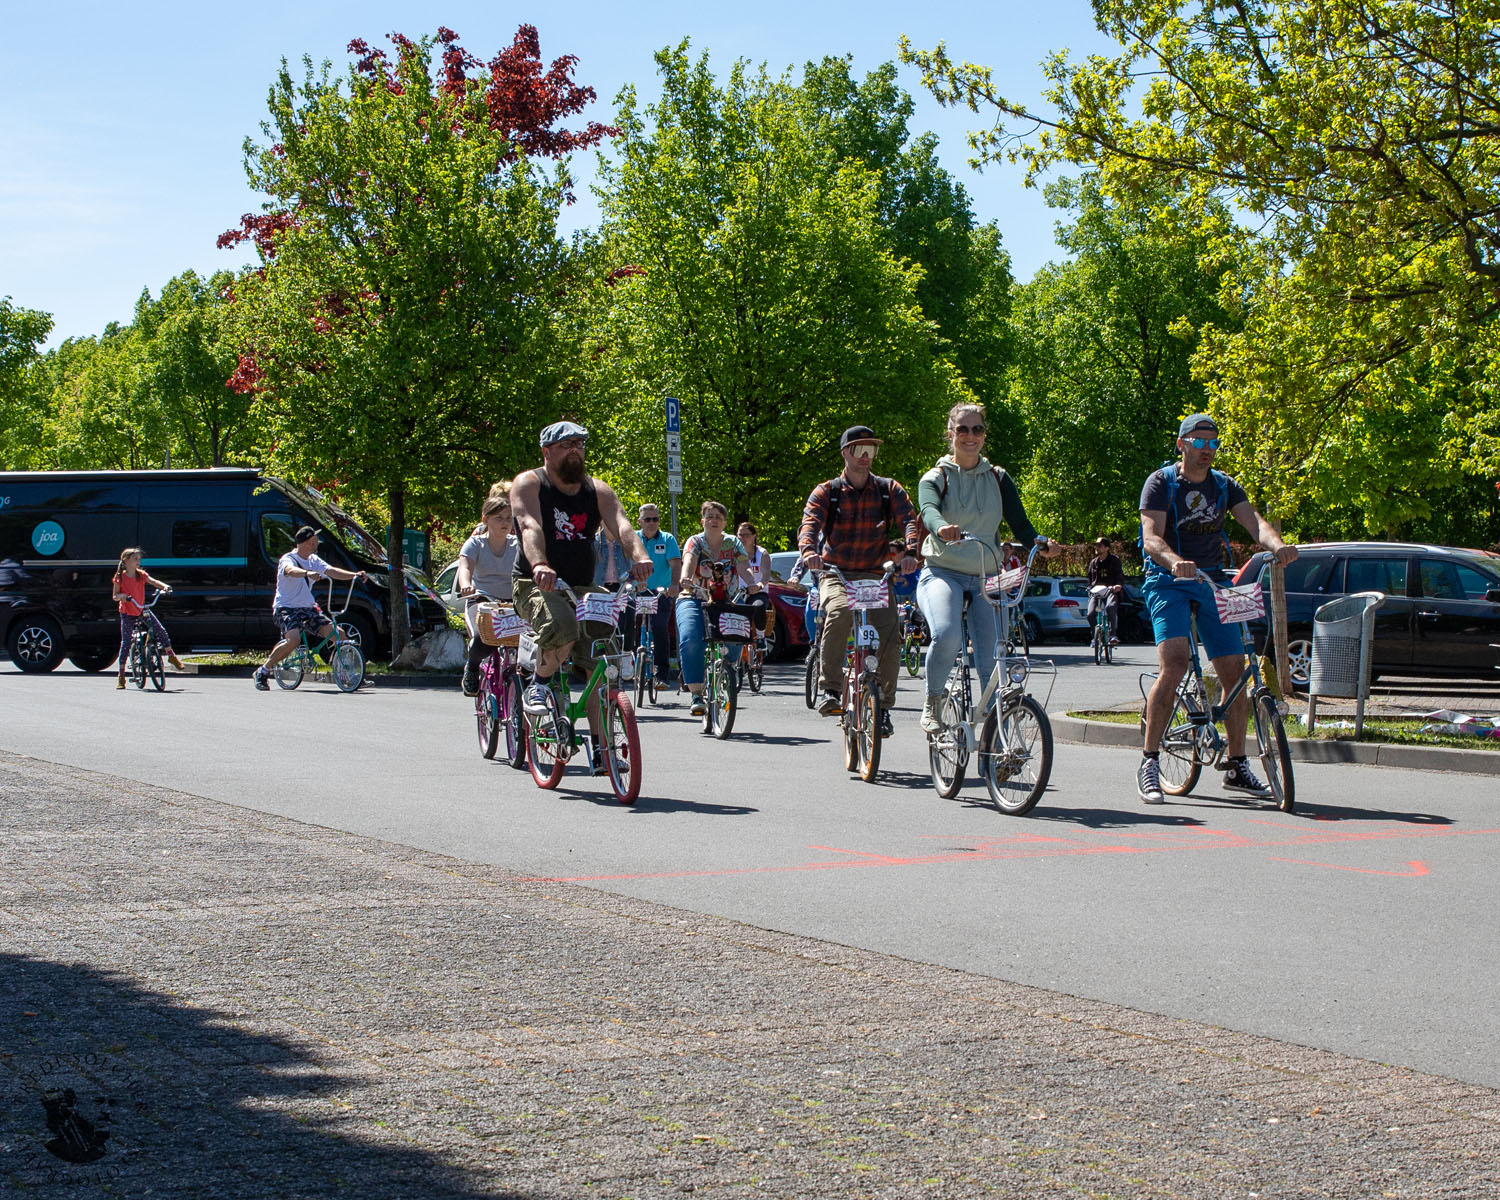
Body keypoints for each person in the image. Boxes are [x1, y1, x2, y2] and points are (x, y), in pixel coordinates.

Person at [1137, 413, 1298, 804]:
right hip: (1168, 579)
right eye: (1199, 442)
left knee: (1235, 671)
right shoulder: (1161, 483)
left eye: (1213, 444)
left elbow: (1254, 522)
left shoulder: (1224, 485)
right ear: (1182, 444)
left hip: (1213, 579)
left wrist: (1277, 546)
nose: (1207, 450)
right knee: (1174, 663)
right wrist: (1175, 561)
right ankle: (1150, 761)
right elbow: (1150, 537)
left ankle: (1238, 765)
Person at [511, 420, 652, 769]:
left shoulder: (597, 490)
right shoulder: (530, 483)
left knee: (602, 659)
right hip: (534, 582)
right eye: (566, 444)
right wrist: (540, 564)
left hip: (582, 586)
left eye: (580, 443)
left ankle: (603, 751)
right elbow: (529, 526)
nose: (575, 449)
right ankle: (539, 685)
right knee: (563, 627)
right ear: (547, 452)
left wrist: (640, 557)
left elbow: (621, 525)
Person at [914, 403, 1056, 734]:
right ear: (950, 434)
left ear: (984, 435)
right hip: (942, 571)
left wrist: (1042, 543)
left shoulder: (998, 477)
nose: (970, 436)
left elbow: (1021, 524)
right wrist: (941, 527)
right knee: (946, 634)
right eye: (962, 429)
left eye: (976, 429)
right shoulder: (935, 477)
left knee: (995, 656)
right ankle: (933, 702)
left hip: (985, 576)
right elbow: (929, 510)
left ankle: (998, 737)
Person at [798, 425, 920, 735]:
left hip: (875, 575)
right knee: (839, 612)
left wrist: (910, 551)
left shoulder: (887, 489)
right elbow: (809, 525)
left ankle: (883, 705)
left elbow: (909, 520)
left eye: (872, 450)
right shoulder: (827, 491)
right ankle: (830, 690)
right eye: (860, 450)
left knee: (891, 634)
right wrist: (809, 551)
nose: (867, 457)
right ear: (845, 453)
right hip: (835, 572)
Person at [252, 527, 368, 690]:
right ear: (304, 543)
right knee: (293, 640)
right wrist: (307, 573)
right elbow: (290, 571)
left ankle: (348, 675)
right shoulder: (288, 559)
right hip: (286, 607)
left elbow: (332, 571)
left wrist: (354, 575)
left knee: (339, 633)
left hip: (307, 607)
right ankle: (263, 671)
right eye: (313, 542)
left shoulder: (314, 559)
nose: (316, 544)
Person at [677, 501, 763, 716]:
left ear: (725, 522)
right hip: (695, 597)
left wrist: (751, 583)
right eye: (710, 516)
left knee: (736, 636)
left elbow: (743, 565)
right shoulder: (695, 541)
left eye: (719, 517)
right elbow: (689, 560)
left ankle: (727, 669)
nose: (714, 520)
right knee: (690, 638)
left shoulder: (733, 543)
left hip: (727, 600)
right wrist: (686, 578)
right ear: (702, 520)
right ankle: (696, 693)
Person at [457, 494, 518, 696]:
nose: (505, 523)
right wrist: (466, 586)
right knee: (483, 638)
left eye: (509, 518)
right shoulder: (475, 544)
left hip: (513, 602)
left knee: (528, 640)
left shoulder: (518, 545)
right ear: (485, 519)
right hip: (483, 600)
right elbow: (465, 569)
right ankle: (472, 668)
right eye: (499, 518)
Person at [112, 548, 183, 688]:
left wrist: (165, 587)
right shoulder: (120, 577)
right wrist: (123, 597)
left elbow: (153, 581)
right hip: (127, 611)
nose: (138, 562)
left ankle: (172, 656)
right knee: (126, 642)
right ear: (126, 561)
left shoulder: (141, 575)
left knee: (160, 630)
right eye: (135, 559)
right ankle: (121, 675)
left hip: (141, 608)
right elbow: (115, 596)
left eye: (139, 559)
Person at [635, 503, 681, 682]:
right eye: (648, 519)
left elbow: (675, 563)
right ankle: (630, 666)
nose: (652, 523)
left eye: (655, 519)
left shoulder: (667, 539)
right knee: (631, 627)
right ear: (640, 521)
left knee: (660, 627)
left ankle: (662, 673)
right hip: (638, 590)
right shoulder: (634, 538)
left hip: (660, 592)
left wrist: (674, 585)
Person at [737, 521, 775, 646]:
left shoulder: (762, 554)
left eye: (746, 535)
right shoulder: (734, 553)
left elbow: (765, 576)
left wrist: (758, 586)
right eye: (740, 535)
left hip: (757, 592)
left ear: (754, 536)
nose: (742, 538)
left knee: (758, 607)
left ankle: (760, 636)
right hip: (738, 593)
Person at [1086, 536, 1125, 645]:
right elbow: (1090, 579)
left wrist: (1118, 585)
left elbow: (1119, 575)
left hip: (1110, 590)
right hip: (1096, 592)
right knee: (1090, 614)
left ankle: (1113, 635)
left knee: (1110, 607)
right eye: (1096, 546)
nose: (1097, 548)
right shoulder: (1093, 562)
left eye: (1100, 546)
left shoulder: (1114, 560)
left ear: (1107, 548)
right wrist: (1089, 587)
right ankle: (1095, 636)